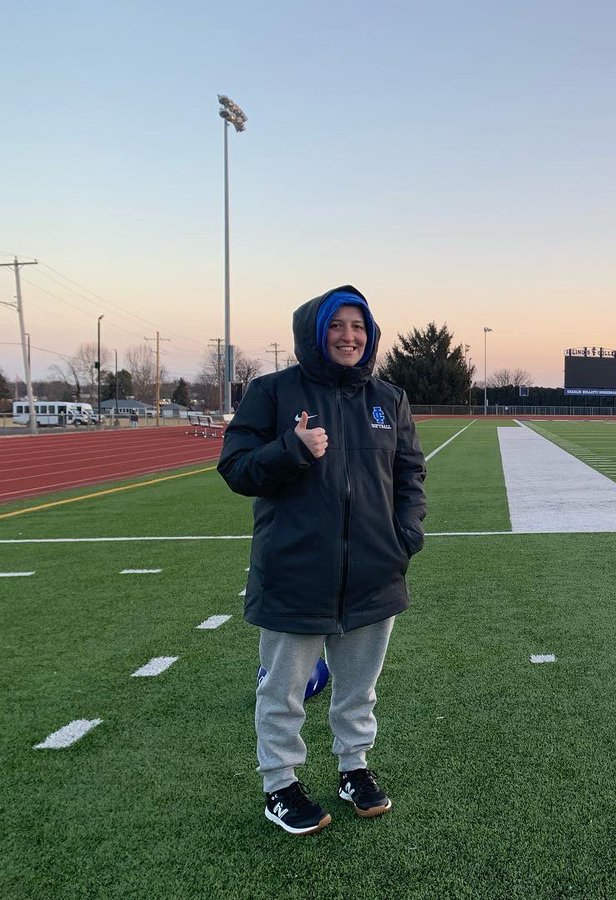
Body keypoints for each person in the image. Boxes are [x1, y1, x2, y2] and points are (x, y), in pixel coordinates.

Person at [218, 285, 427, 836]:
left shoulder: (389, 398)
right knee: (282, 690)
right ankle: (280, 785)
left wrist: (405, 536)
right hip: (295, 571)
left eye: (358, 327)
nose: (348, 337)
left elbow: (410, 475)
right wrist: (292, 449)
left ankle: (353, 769)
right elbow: (236, 468)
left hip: (373, 573)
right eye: (337, 326)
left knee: (359, 686)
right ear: (316, 331)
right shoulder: (272, 391)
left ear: (371, 334)